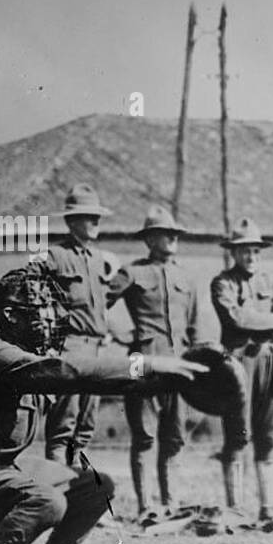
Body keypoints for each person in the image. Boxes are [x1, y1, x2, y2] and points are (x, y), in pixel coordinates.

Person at [0, 263, 200, 544]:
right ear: (11, 315)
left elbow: (91, 380)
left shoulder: (29, 358)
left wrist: (169, 379)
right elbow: (70, 372)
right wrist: (144, 363)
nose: (52, 319)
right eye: (40, 311)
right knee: (46, 501)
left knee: (95, 487)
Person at [105, 205, 204, 520]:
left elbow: (195, 327)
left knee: (174, 437)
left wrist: (199, 362)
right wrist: (120, 334)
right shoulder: (132, 272)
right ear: (149, 239)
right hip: (142, 362)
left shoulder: (186, 276)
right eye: (166, 233)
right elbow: (96, 305)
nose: (173, 238)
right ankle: (145, 506)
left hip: (180, 364)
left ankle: (171, 504)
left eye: (175, 233)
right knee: (144, 436)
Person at [211, 218, 273, 519]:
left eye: (256, 251)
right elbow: (237, 320)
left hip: (271, 360)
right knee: (237, 433)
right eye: (245, 251)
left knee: (268, 433)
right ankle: (236, 507)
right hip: (239, 361)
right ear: (234, 252)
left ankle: (268, 507)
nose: (251, 257)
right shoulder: (222, 283)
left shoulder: (270, 282)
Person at [43, 183, 115, 466]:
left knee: (85, 425)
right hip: (70, 348)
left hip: (96, 349)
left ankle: (76, 493)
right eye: (89, 216)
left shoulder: (98, 259)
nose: (96, 221)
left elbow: (102, 303)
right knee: (63, 426)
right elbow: (37, 299)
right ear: (72, 221)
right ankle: (56, 492)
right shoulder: (56, 257)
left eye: (98, 216)